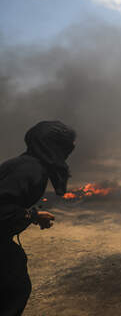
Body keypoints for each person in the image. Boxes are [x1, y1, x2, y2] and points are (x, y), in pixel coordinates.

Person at [0, 121, 76, 315]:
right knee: (14, 287)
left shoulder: (27, 164)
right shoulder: (32, 169)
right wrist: (31, 215)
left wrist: (33, 216)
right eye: (64, 146)